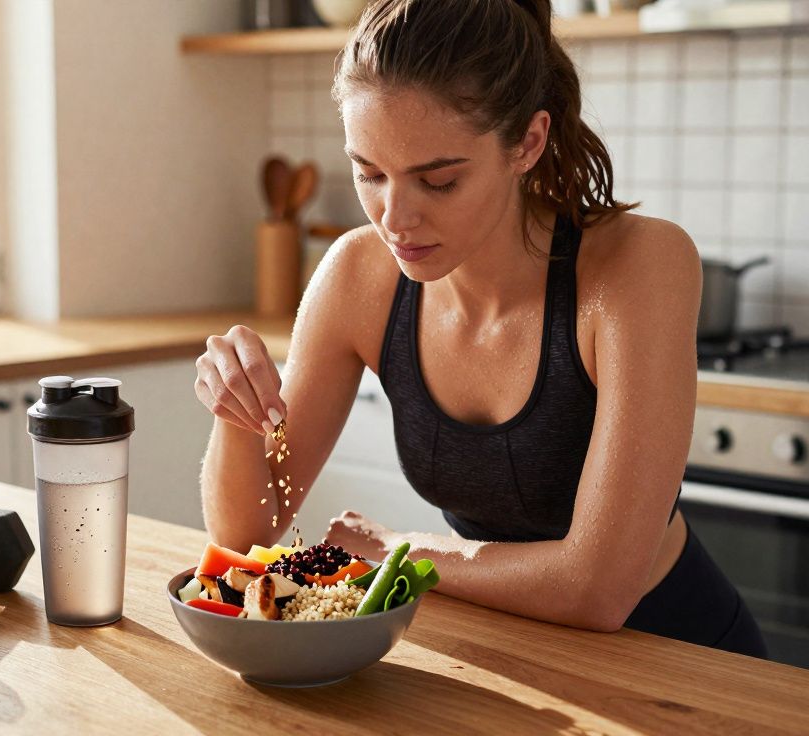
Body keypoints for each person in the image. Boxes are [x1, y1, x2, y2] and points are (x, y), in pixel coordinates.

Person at [194, 0, 767, 657]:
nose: (395, 218)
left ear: (527, 142)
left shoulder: (637, 266)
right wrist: (238, 412)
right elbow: (244, 540)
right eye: (369, 174)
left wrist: (399, 551)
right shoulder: (359, 276)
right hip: (503, 655)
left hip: (680, 660)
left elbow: (600, 589)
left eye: (437, 181)